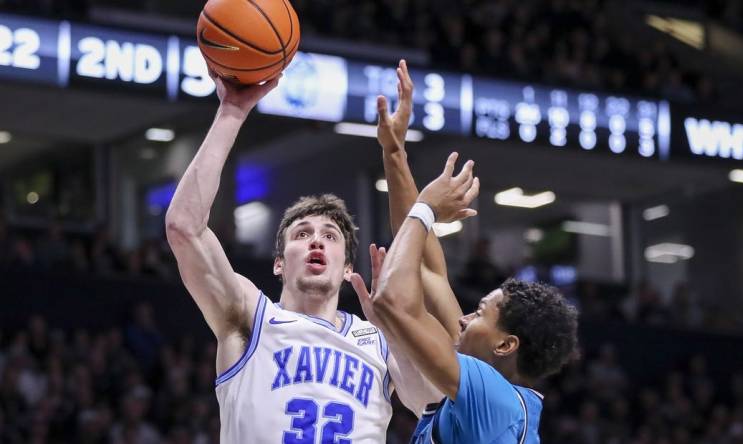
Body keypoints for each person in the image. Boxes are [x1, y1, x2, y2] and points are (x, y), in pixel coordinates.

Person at [165, 71, 434, 443]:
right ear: (278, 263)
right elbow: (184, 228)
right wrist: (231, 112)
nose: (317, 243)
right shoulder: (250, 317)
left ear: (347, 269)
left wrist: (394, 330)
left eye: (330, 236)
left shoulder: (376, 339)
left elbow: (429, 406)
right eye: (302, 234)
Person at [354, 64, 579, 443]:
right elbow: (427, 269)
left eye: (479, 314)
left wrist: (427, 208)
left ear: (505, 345)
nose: (462, 319)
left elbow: (392, 298)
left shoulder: (491, 397)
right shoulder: (492, 396)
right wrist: (394, 153)